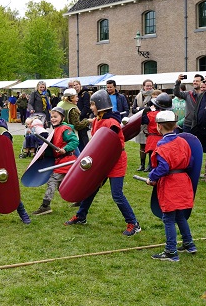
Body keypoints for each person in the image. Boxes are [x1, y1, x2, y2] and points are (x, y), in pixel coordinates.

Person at [64, 90, 141, 237]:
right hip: (101, 160)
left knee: (117, 194)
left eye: (92, 104)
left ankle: (134, 223)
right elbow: (96, 143)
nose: (91, 107)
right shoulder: (98, 120)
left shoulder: (111, 122)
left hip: (115, 160)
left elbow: (114, 144)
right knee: (91, 187)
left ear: (100, 105)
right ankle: (81, 216)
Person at [146, 110, 196, 262]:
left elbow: (163, 167)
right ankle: (189, 244)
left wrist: (151, 177)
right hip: (183, 180)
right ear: (175, 126)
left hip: (171, 184)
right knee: (180, 215)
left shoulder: (162, 145)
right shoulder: (183, 141)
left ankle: (171, 251)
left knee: (168, 218)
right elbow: (192, 162)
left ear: (159, 127)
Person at [32, 107, 79, 216]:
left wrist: (65, 149)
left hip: (66, 161)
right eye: (52, 117)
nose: (53, 119)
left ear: (62, 117)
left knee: (52, 182)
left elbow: (74, 141)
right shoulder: (55, 130)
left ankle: (45, 206)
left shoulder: (65, 129)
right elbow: (54, 149)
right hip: (60, 161)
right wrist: (43, 154)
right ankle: (81, 199)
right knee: (64, 185)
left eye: (55, 116)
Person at [141, 90, 170, 172]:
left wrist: (144, 110)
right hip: (162, 137)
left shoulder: (150, 114)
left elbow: (144, 120)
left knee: (152, 155)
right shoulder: (168, 114)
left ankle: (151, 167)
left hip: (153, 137)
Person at [132, 79, 155, 171]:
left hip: (150, 123)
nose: (149, 87)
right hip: (141, 123)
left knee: (150, 145)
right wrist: (145, 109)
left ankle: (150, 165)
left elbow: (152, 109)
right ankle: (142, 165)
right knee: (142, 145)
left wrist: (140, 108)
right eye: (147, 86)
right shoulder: (138, 96)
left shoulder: (155, 96)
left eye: (150, 85)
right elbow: (133, 110)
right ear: (143, 86)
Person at [73, 80, 92, 151]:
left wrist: (80, 115)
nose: (75, 86)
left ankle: (87, 150)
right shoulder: (75, 94)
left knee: (83, 135)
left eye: (77, 84)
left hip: (82, 117)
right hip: (77, 118)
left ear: (80, 85)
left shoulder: (85, 94)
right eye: (74, 85)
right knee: (78, 136)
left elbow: (86, 106)